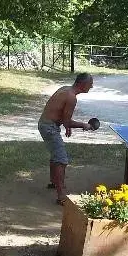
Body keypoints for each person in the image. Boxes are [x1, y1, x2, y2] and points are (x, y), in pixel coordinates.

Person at [38, 72, 94, 205]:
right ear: (82, 84)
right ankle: (61, 196)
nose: (91, 86)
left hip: (45, 124)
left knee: (56, 155)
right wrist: (84, 125)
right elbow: (67, 121)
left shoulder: (65, 89)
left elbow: (62, 116)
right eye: (90, 84)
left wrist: (67, 126)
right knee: (61, 160)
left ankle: (54, 182)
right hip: (49, 127)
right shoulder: (72, 98)